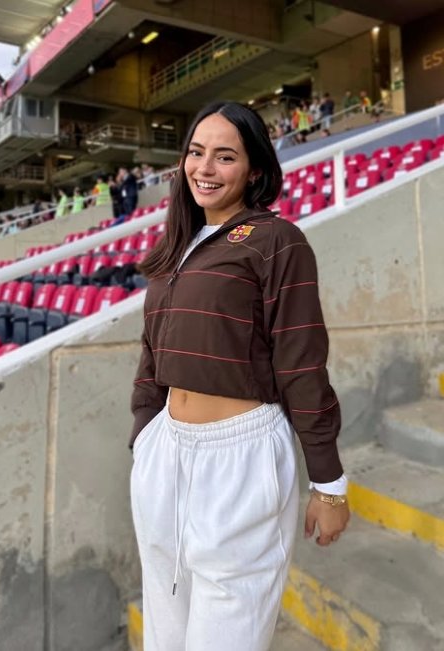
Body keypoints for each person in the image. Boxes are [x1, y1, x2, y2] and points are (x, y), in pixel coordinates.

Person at [129, 100, 350, 651]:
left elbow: (301, 362)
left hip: (241, 456)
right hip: (166, 452)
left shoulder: (277, 241)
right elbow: (151, 353)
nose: (204, 168)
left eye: (224, 156)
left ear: (254, 171)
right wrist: (143, 437)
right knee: (164, 633)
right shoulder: (176, 246)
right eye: (196, 152)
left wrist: (328, 485)